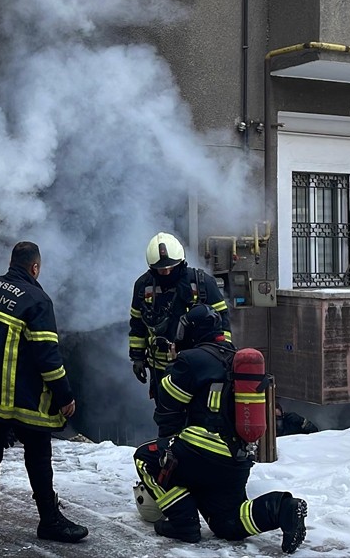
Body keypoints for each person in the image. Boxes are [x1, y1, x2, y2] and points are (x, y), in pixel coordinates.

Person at [132, 311, 308, 554]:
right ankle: (283, 508)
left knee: (145, 458)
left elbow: (168, 404)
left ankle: (184, 524)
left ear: (191, 331)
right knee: (228, 523)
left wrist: (173, 365)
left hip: (198, 452)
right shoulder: (236, 360)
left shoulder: (191, 360)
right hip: (235, 460)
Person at [0, 241, 88, 552]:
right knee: (39, 458)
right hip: (23, 400)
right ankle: (50, 520)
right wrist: (65, 396)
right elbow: (48, 357)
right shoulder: (37, 300)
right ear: (35, 268)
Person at [129, 232, 231, 400]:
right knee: (167, 414)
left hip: (199, 365)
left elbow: (223, 324)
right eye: (161, 270)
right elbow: (137, 325)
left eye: (171, 268)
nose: (167, 273)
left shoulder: (202, 283)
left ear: (181, 262)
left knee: (198, 410)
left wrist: (222, 357)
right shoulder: (143, 286)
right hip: (160, 367)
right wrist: (137, 358)